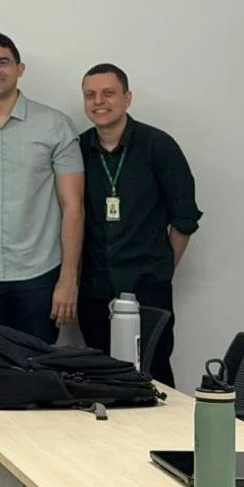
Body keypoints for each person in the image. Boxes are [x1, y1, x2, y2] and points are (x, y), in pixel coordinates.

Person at [0, 32, 85, 344]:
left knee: (36, 374)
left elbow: (74, 207)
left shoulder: (54, 125)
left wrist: (68, 279)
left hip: (38, 275)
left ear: (20, 68)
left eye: (2, 62)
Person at [76, 63, 201, 386]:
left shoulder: (158, 146)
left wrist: (160, 265)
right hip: (95, 290)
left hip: (148, 288)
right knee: (100, 378)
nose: (98, 101)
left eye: (108, 93)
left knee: (153, 375)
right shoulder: (79, 149)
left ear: (127, 98)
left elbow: (184, 219)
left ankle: (163, 438)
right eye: (90, 95)